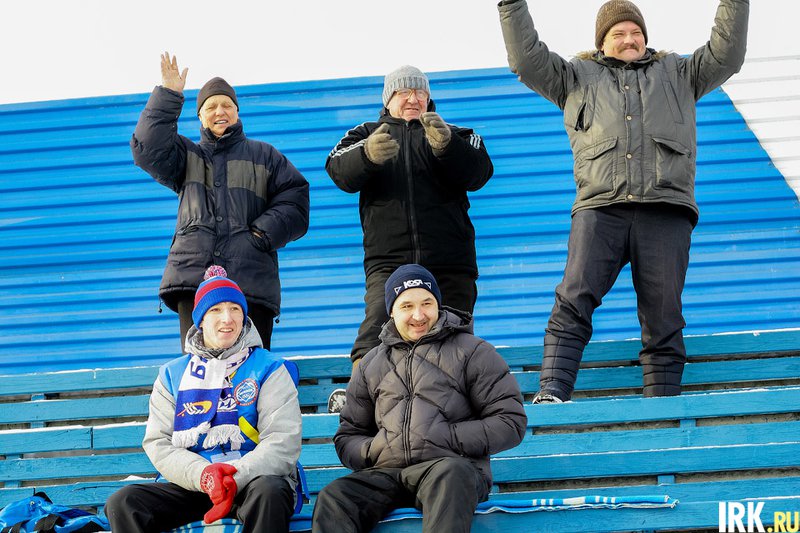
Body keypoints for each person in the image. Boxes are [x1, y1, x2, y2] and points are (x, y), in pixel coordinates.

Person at [498, 0, 749, 402]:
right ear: (602, 42)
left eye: (636, 32)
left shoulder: (680, 73)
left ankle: (662, 406)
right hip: (600, 208)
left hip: (665, 209)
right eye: (619, 33)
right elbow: (526, 61)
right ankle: (553, 391)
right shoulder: (574, 78)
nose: (629, 39)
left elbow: (727, 54)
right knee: (573, 299)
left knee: (663, 314)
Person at [324, 65, 494, 411]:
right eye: (404, 92)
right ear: (388, 99)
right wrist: (368, 155)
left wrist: (448, 146)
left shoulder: (457, 133)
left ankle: (462, 402)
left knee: (455, 335)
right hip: (388, 259)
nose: (413, 99)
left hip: (450, 260)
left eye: (419, 92)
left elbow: (480, 172)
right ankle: (358, 398)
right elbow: (338, 169)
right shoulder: (364, 133)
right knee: (376, 327)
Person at [311, 264, 527, 533]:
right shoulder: (371, 364)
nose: (418, 315)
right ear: (391, 311)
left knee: (451, 475)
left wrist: (447, 437)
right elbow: (348, 436)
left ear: (438, 305)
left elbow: (510, 421)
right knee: (335, 497)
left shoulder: (473, 352)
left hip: (448, 469)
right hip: (388, 474)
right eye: (407, 306)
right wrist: (377, 448)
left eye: (427, 303)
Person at [131, 52, 310, 351]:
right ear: (200, 116)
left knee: (253, 370)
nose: (220, 111)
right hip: (194, 282)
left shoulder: (265, 156)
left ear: (237, 112)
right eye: (211, 106)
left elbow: (296, 199)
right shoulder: (186, 156)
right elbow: (147, 148)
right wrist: (169, 95)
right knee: (198, 366)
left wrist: (261, 235)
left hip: (251, 281)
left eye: (227, 105)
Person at [105, 266, 302, 533]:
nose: (227, 319)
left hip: (252, 480)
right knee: (125, 502)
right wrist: (205, 476)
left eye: (235, 309)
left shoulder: (269, 368)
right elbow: (159, 443)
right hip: (196, 483)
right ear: (200, 320)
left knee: (270, 491)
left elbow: (282, 440)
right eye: (215, 310)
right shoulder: (172, 375)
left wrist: (234, 477)